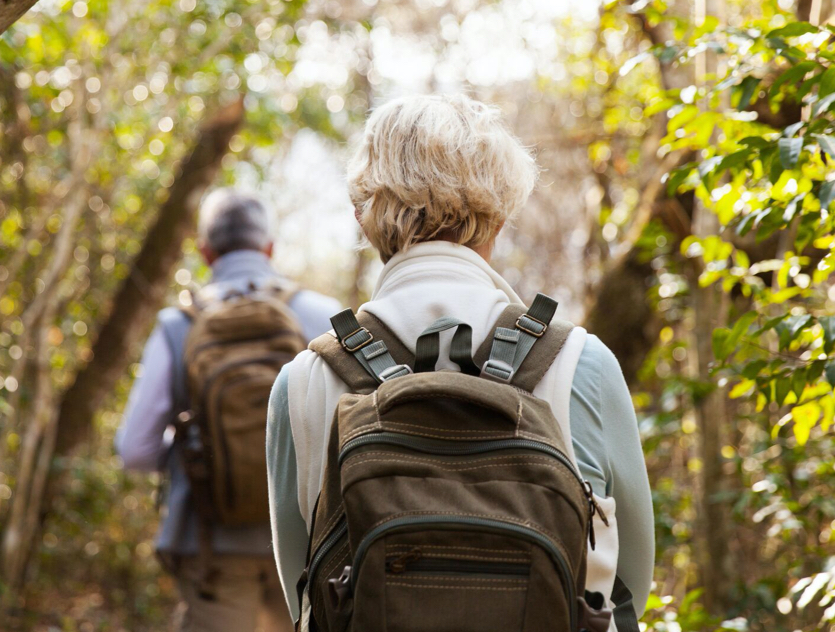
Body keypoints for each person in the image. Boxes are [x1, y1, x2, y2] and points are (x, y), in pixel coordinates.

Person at [266, 94, 654, 630]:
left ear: (362, 214)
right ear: (500, 214)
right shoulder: (579, 364)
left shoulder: (304, 384)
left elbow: (304, 592)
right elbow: (628, 580)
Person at [117, 188, 341, 632]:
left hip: (210, 547)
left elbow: (134, 451)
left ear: (205, 251)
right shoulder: (326, 318)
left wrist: (195, 455)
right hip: (304, 548)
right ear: (270, 248)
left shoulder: (177, 326)